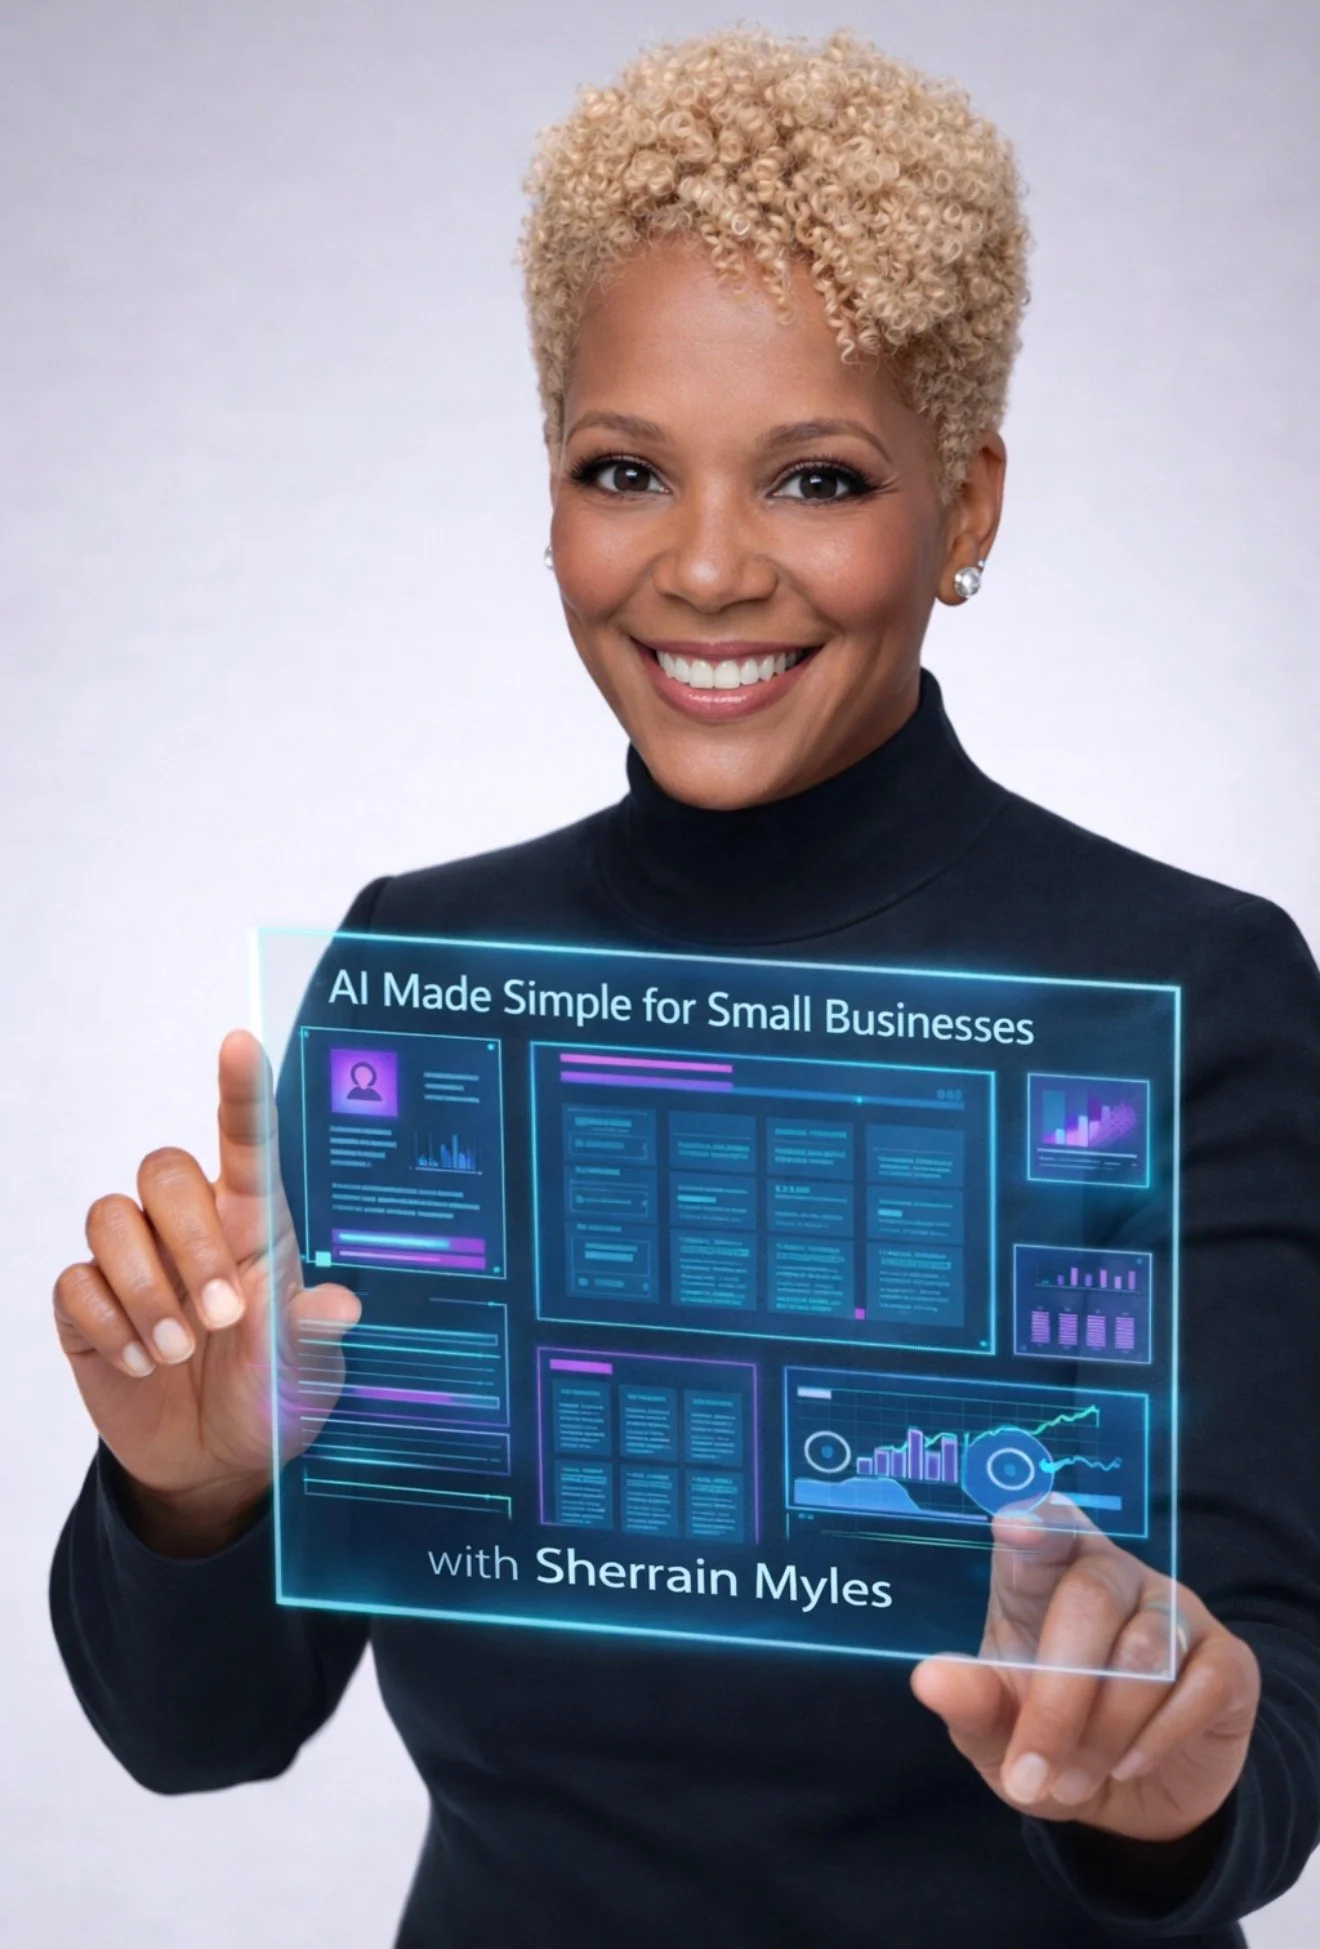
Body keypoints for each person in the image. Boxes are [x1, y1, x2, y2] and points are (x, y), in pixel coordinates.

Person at [48, 27, 1320, 1948]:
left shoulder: (1190, 986)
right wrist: (196, 1497)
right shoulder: (426, 980)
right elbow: (197, 1737)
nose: (708, 569)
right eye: (626, 469)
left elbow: (1263, 1718)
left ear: (967, 508)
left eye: (816, 478)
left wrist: (1166, 1777)